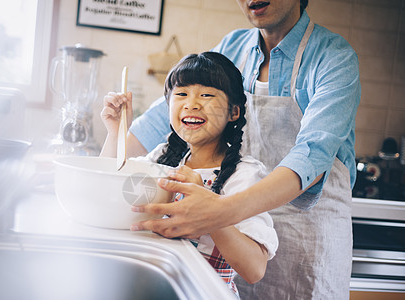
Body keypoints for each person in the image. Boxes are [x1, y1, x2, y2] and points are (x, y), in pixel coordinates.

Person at [124, 0, 361, 299]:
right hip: (233, 252)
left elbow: (312, 157)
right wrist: (107, 153)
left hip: (306, 247)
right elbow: (158, 121)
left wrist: (218, 212)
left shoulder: (333, 58)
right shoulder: (233, 46)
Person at [100, 52, 279, 297]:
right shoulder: (164, 156)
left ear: (233, 112)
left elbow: (255, 269)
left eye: (206, 95)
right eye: (181, 94)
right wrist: (116, 133)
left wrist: (209, 210)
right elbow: (109, 190)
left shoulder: (244, 175)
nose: (191, 104)